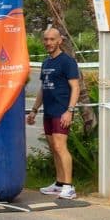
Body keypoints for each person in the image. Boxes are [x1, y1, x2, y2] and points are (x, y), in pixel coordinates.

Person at [28, 27, 80, 200]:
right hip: (49, 112)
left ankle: (69, 186)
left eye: (52, 39)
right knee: (53, 147)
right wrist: (34, 110)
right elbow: (43, 89)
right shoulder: (46, 63)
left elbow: (75, 87)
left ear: (60, 41)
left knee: (60, 146)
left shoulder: (67, 62)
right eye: (46, 39)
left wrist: (69, 111)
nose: (48, 43)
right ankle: (59, 183)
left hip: (61, 111)